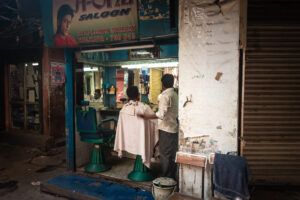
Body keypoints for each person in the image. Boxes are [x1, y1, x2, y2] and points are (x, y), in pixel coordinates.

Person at [137, 74, 178, 179]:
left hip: (166, 129)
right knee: (172, 155)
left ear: (162, 84)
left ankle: (166, 178)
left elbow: (160, 115)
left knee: (165, 155)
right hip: (174, 128)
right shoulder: (175, 94)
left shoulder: (165, 96)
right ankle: (171, 176)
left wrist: (146, 116)